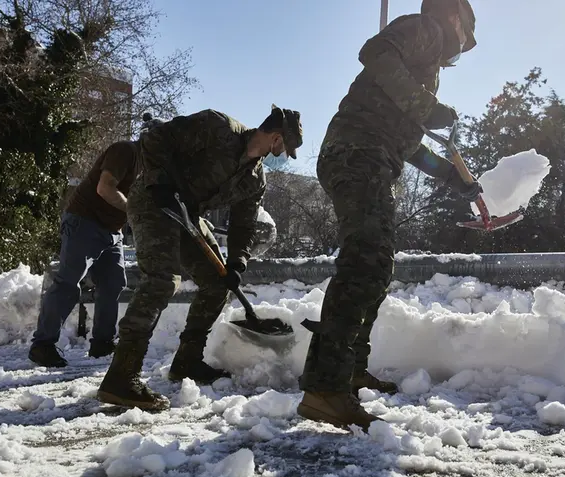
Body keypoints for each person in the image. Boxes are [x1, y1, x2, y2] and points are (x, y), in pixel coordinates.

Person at [297, 0, 482, 431]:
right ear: (454, 15)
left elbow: (411, 146)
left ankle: (348, 371)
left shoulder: (424, 67)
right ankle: (325, 389)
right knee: (364, 261)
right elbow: (375, 52)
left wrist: (455, 179)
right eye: (465, 32)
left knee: (376, 266)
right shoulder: (426, 29)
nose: (459, 46)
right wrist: (425, 104)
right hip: (358, 153)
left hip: (371, 156)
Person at [96, 105, 303, 411]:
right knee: (161, 280)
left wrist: (237, 262)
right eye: (284, 149)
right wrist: (161, 180)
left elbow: (244, 224)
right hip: (155, 201)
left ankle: (187, 361)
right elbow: (156, 139)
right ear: (275, 138)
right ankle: (121, 377)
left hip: (187, 216)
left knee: (218, 284)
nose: (282, 156)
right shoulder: (217, 126)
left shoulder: (255, 179)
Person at [28, 114, 163, 367]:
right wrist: (134, 210)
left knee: (113, 282)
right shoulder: (125, 151)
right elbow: (105, 188)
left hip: (112, 231)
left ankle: (102, 343)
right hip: (84, 221)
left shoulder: (149, 168)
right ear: (150, 140)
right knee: (69, 281)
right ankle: (42, 345)